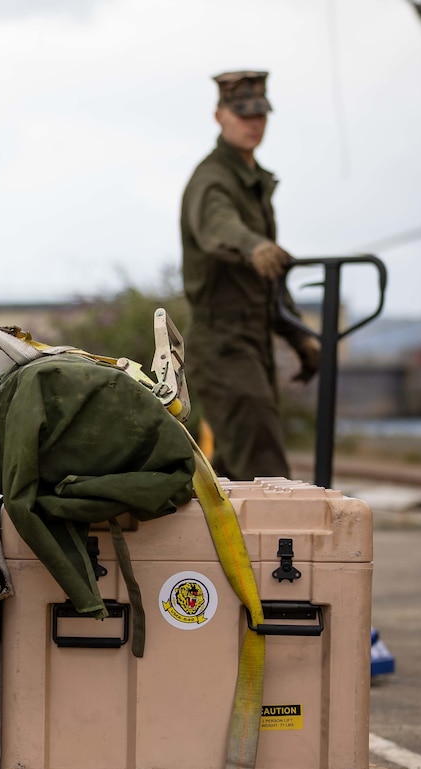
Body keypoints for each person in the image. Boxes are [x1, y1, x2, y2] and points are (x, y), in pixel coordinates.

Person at [179, 71, 319, 481]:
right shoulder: (213, 181)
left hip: (251, 344)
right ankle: (277, 547)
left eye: (260, 114)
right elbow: (219, 227)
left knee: (232, 473)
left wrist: (298, 334)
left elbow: (269, 277)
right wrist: (252, 246)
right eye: (242, 115)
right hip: (224, 345)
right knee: (265, 472)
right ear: (219, 115)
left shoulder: (253, 181)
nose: (252, 123)